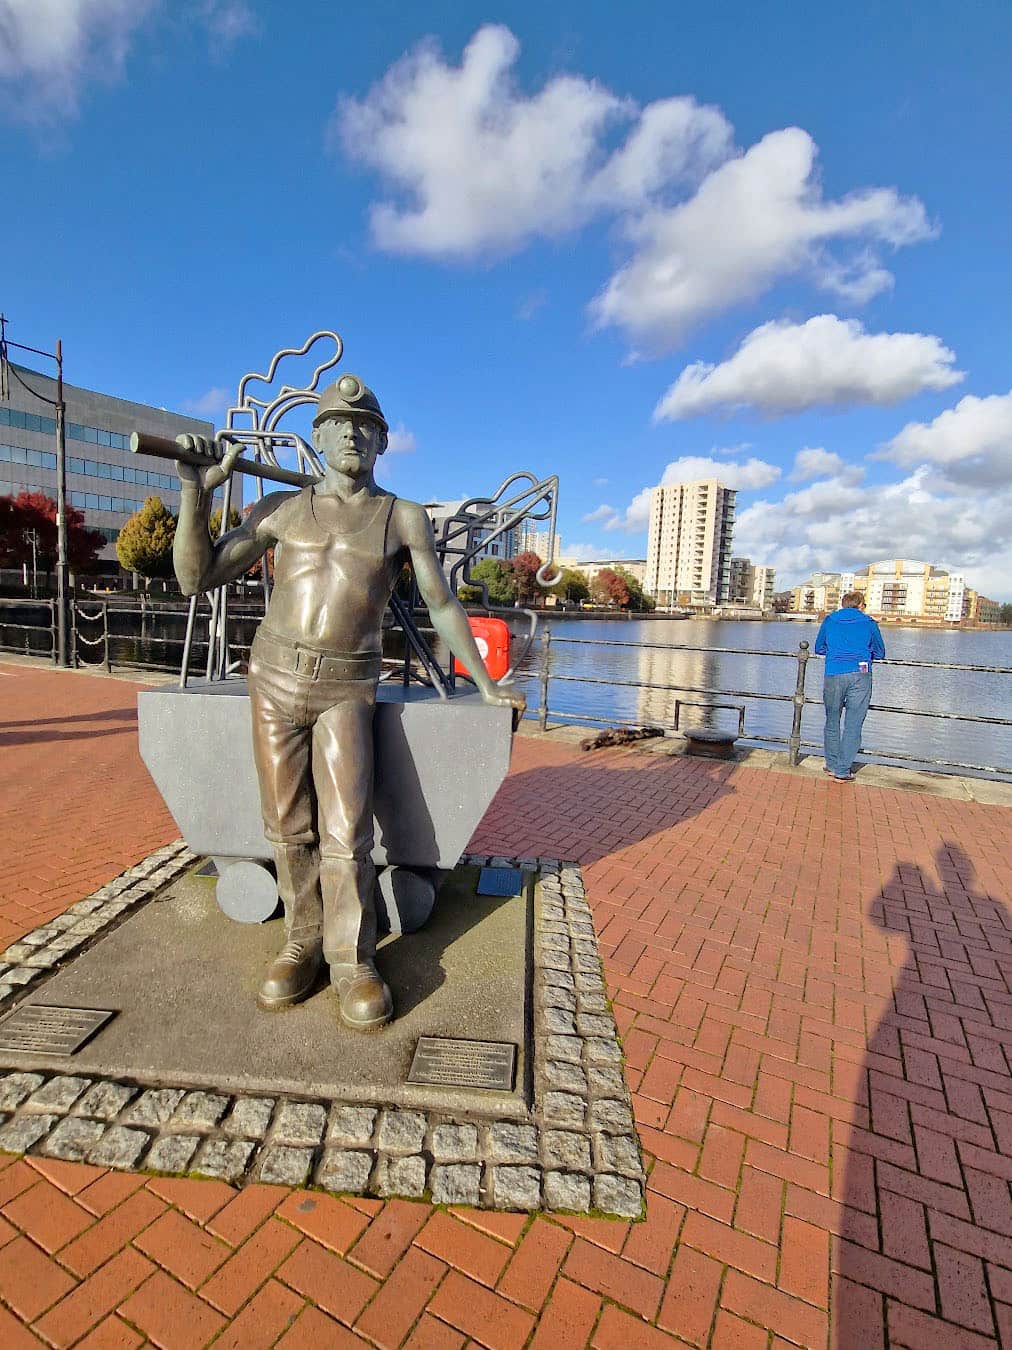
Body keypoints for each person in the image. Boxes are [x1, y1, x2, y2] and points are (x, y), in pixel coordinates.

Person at [172, 373, 525, 1031]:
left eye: (367, 427)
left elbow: (442, 603)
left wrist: (483, 684)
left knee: (347, 829)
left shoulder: (402, 517)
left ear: (384, 441)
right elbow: (196, 577)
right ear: (321, 437)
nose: (355, 435)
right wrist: (195, 491)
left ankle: (352, 958)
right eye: (341, 425)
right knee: (285, 823)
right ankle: (300, 941)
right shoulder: (277, 509)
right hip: (274, 679)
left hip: (347, 686)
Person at [814, 590, 885, 782]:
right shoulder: (869, 623)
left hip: (834, 672)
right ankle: (843, 770)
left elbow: (818, 647)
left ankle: (831, 764)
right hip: (860, 674)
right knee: (854, 723)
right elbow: (880, 652)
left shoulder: (830, 620)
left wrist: (835, 652)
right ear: (860, 604)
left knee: (832, 720)